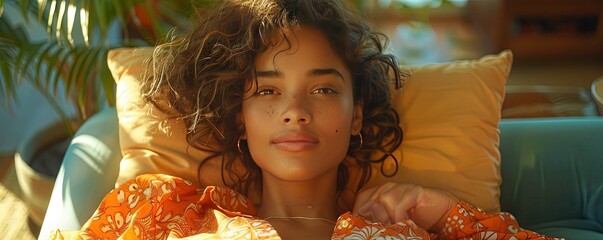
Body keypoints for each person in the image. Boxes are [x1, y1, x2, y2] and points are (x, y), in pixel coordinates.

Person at [50, 0, 557, 239]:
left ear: (356, 115)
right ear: (241, 121)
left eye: (322, 88)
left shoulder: (408, 230)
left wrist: (447, 212)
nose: (295, 110)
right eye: (268, 91)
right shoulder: (167, 210)